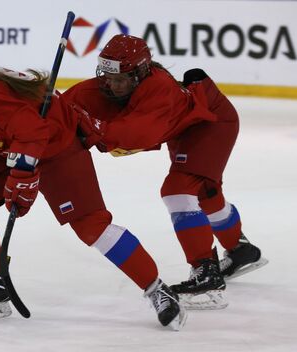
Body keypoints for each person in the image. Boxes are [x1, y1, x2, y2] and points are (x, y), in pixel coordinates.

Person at [0, 32, 186, 329]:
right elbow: (17, 130)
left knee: (91, 226)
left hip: (57, 144)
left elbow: (34, 130)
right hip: (9, 142)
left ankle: (157, 289)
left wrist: (23, 174)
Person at [64, 34, 268, 310]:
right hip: (187, 129)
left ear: (140, 72)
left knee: (178, 191)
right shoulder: (116, 83)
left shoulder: (160, 90)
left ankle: (206, 273)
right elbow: (72, 101)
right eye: (107, 77)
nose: (111, 85)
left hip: (213, 124)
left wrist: (91, 126)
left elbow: (134, 135)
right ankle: (242, 251)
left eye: (120, 79)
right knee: (205, 194)